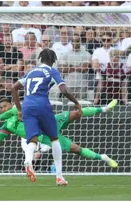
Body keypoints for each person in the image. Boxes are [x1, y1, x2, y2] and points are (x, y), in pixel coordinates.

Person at [0, 98, 118, 168]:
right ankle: (103, 158)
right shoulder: (7, 125)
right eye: (0, 108)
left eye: (4, 106)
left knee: (76, 113)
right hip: (45, 136)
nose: (2, 109)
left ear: (11, 104)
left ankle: (105, 109)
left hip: (50, 122)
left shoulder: (18, 108)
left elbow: (14, 111)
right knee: (76, 149)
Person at [11, 49, 81, 185]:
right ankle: (59, 176)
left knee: (32, 139)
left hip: (27, 105)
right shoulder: (52, 71)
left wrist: (19, 110)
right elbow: (64, 90)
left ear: (40, 59)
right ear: (53, 60)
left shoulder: (31, 72)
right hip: (42, 104)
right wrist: (76, 103)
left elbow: (14, 88)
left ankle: (28, 160)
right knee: (54, 139)